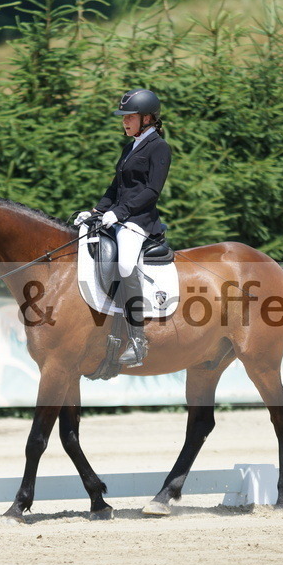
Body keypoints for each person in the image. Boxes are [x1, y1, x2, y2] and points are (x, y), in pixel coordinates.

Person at [75, 88, 171, 367]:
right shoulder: (130, 146)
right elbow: (116, 187)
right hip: (117, 216)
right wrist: (96, 211)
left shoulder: (159, 147)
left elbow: (152, 190)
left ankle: (138, 340)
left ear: (148, 118)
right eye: (123, 117)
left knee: (126, 265)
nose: (124, 122)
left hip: (139, 221)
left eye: (130, 117)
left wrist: (120, 213)